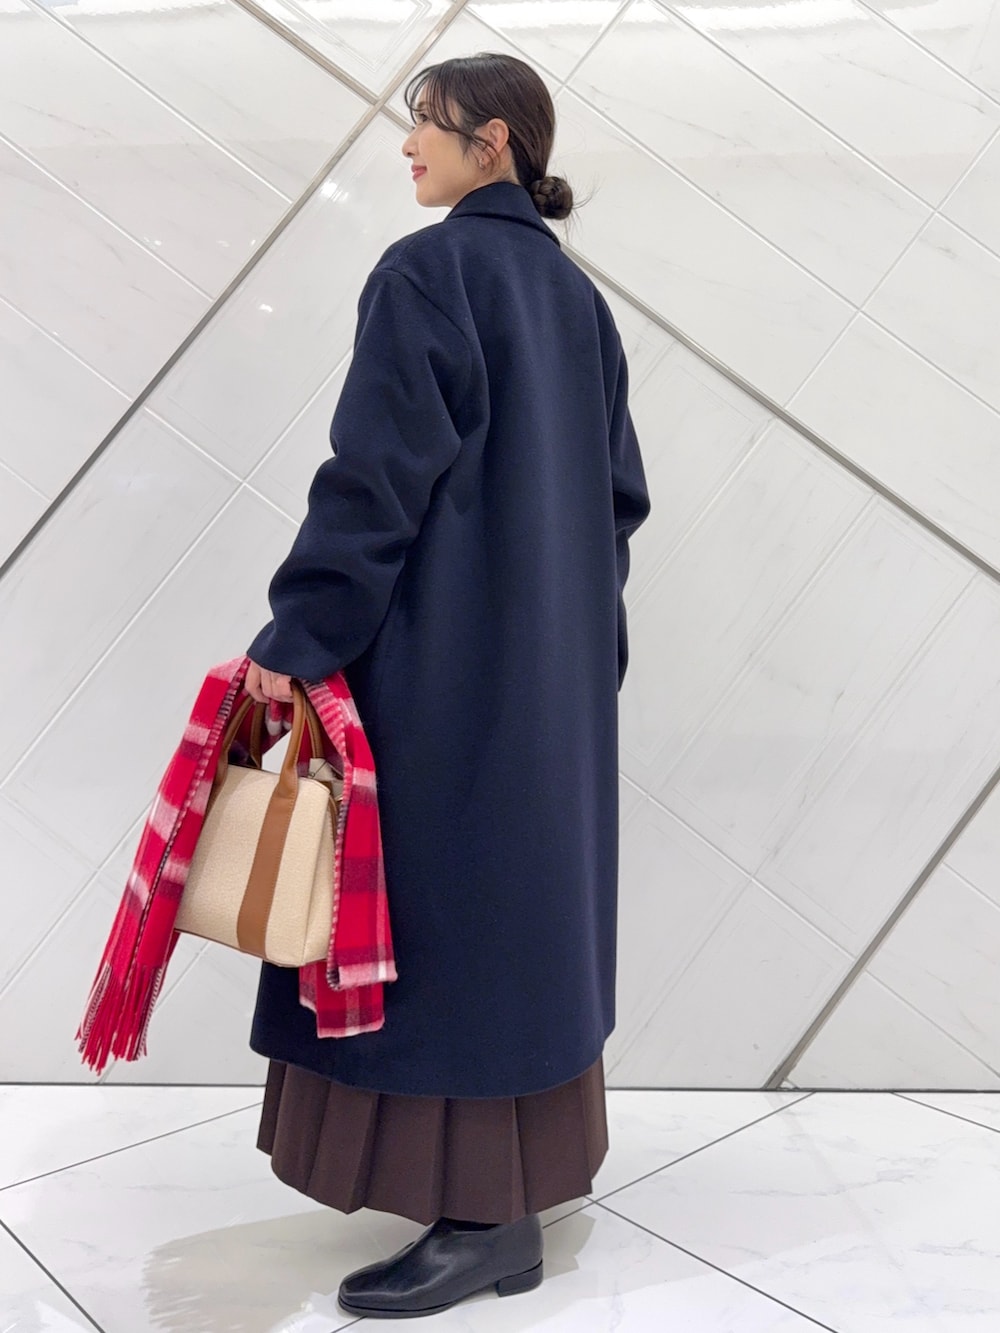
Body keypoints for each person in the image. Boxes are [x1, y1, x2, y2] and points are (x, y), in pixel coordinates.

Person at [243, 52, 651, 1319]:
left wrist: (297, 638)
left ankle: (481, 1225)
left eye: (425, 125)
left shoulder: (428, 272)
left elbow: (374, 481)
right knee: (512, 924)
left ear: (494, 143)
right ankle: (501, 1204)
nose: (406, 145)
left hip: (440, 671)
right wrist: (583, 651)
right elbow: (618, 502)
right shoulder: (576, 301)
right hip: (552, 683)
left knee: (435, 927)